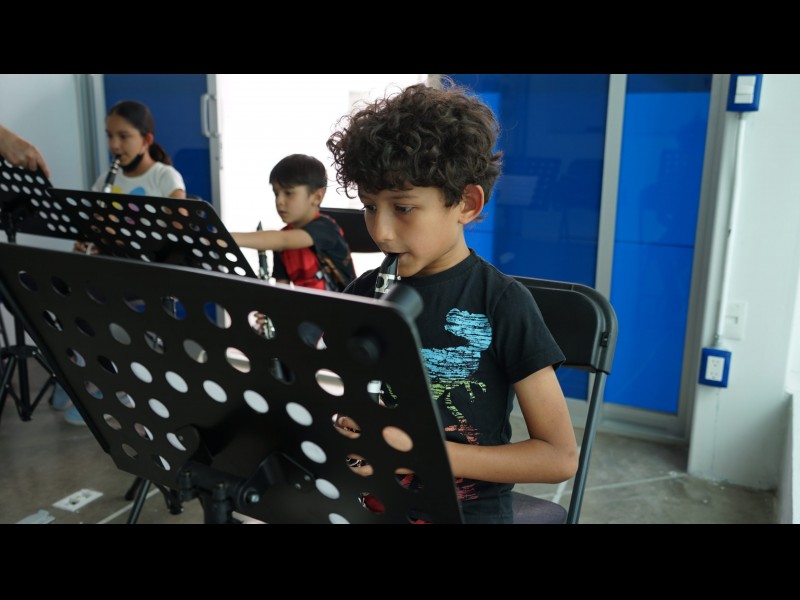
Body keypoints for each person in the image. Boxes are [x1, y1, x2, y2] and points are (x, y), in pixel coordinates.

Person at [325, 77, 579, 524]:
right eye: (370, 206)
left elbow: (558, 457)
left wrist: (418, 452)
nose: (381, 232)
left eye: (403, 207)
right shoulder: (364, 293)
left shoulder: (502, 303)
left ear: (467, 203)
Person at [53, 100, 187, 425]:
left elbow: (179, 228)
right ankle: (75, 371)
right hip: (108, 271)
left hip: (147, 275)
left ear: (146, 140)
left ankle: (114, 387)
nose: (114, 145)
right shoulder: (106, 179)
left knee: (94, 300)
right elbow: (91, 229)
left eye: (123, 136)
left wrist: (123, 233)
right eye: (109, 136)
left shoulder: (164, 177)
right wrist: (86, 243)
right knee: (55, 288)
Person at [231, 154, 355, 292]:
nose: (279, 201)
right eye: (276, 193)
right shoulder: (280, 244)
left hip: (344, 305)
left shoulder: (326, 228)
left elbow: (283, 240)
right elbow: (281, 290)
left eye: (288, 193)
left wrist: (227, 238)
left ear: (316, 197)